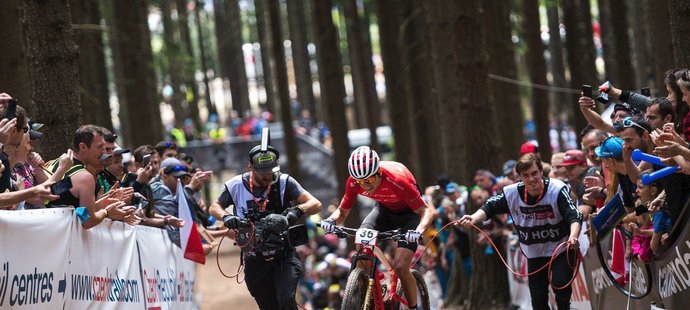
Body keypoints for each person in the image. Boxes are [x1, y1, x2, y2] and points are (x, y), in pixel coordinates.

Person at [458, 154, 582, 310]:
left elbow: (574, 215)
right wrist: (474, 218)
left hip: (561, 248)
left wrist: (573, 236)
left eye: (534, 173)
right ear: (520, 177)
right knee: (538, 300)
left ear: (541, 172)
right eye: (526, 175)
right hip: (534, 253)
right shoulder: (512, 193)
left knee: (560, 286)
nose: (531, 179)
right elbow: (490, 206)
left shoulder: (556, 189)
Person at [320, 146, 436, 310]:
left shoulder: (397, 180)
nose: (365, 186)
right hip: (384, 210)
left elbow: (426, 211)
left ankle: (413, 307)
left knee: (401, 267)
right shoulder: (354, 181)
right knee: (361, 245)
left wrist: (418, 231)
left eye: (369, 180)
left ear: (379, 172)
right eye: (361, 182)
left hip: (409, 216)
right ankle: (372, 291)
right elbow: (342, 211)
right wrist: (331, 220)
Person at [209, 142, 322, 309]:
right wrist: (226, 217)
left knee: (286, 300)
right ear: (250, 167)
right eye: (262, 172)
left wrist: (297, 211)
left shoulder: (285, 182)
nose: (267, 175)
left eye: (270, 170)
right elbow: (214, 207)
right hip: (255, 262)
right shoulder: (236, 185)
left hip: (284, 256)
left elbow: (316, 204)